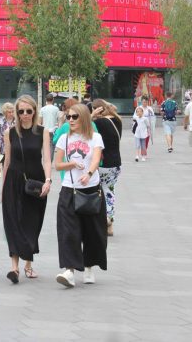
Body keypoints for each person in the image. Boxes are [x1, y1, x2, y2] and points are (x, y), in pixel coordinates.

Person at [54, 103, 106, 288]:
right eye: (68, 117)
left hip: (91, 190)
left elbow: (96, 159)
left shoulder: (95, 138)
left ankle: (89, 266)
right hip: (69, 189)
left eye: (74, 117)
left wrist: (89, 174)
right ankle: (69, 271)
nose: (70, 120)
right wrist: (72, 165)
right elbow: (57, 165)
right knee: (68, 232)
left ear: (84, 118)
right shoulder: (64, 139)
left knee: (91, 231)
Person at [2, 95, 51, 284]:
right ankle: (14, 268)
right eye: (21, 111)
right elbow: (7, 161)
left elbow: (47, 159)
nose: (24, 115)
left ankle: (28, 264)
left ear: (34, 111)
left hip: (36, 182)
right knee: (13, 223)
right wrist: (3, 186)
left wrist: (48, 180)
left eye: (28, 111)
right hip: (13, 182)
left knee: (32, 223)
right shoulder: (10, 133)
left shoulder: (43, 132)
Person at [91, 99, 122, 236]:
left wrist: (91, 116)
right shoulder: (117, 120)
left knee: (97, 193)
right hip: (115, 163)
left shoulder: (98, 123)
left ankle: (102, 220)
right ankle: (109, 224)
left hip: (101, 163)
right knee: (110, 191)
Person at [39, 93, 61, 159]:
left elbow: (40, 121)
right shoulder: (56, 109)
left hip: (44, 130)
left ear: (46, 99)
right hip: (53, 130)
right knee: (52, 146)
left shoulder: (42, 109)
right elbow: (59, 120)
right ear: (53, 100)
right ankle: (50, 161)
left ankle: (45, 160)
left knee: (44, 146)